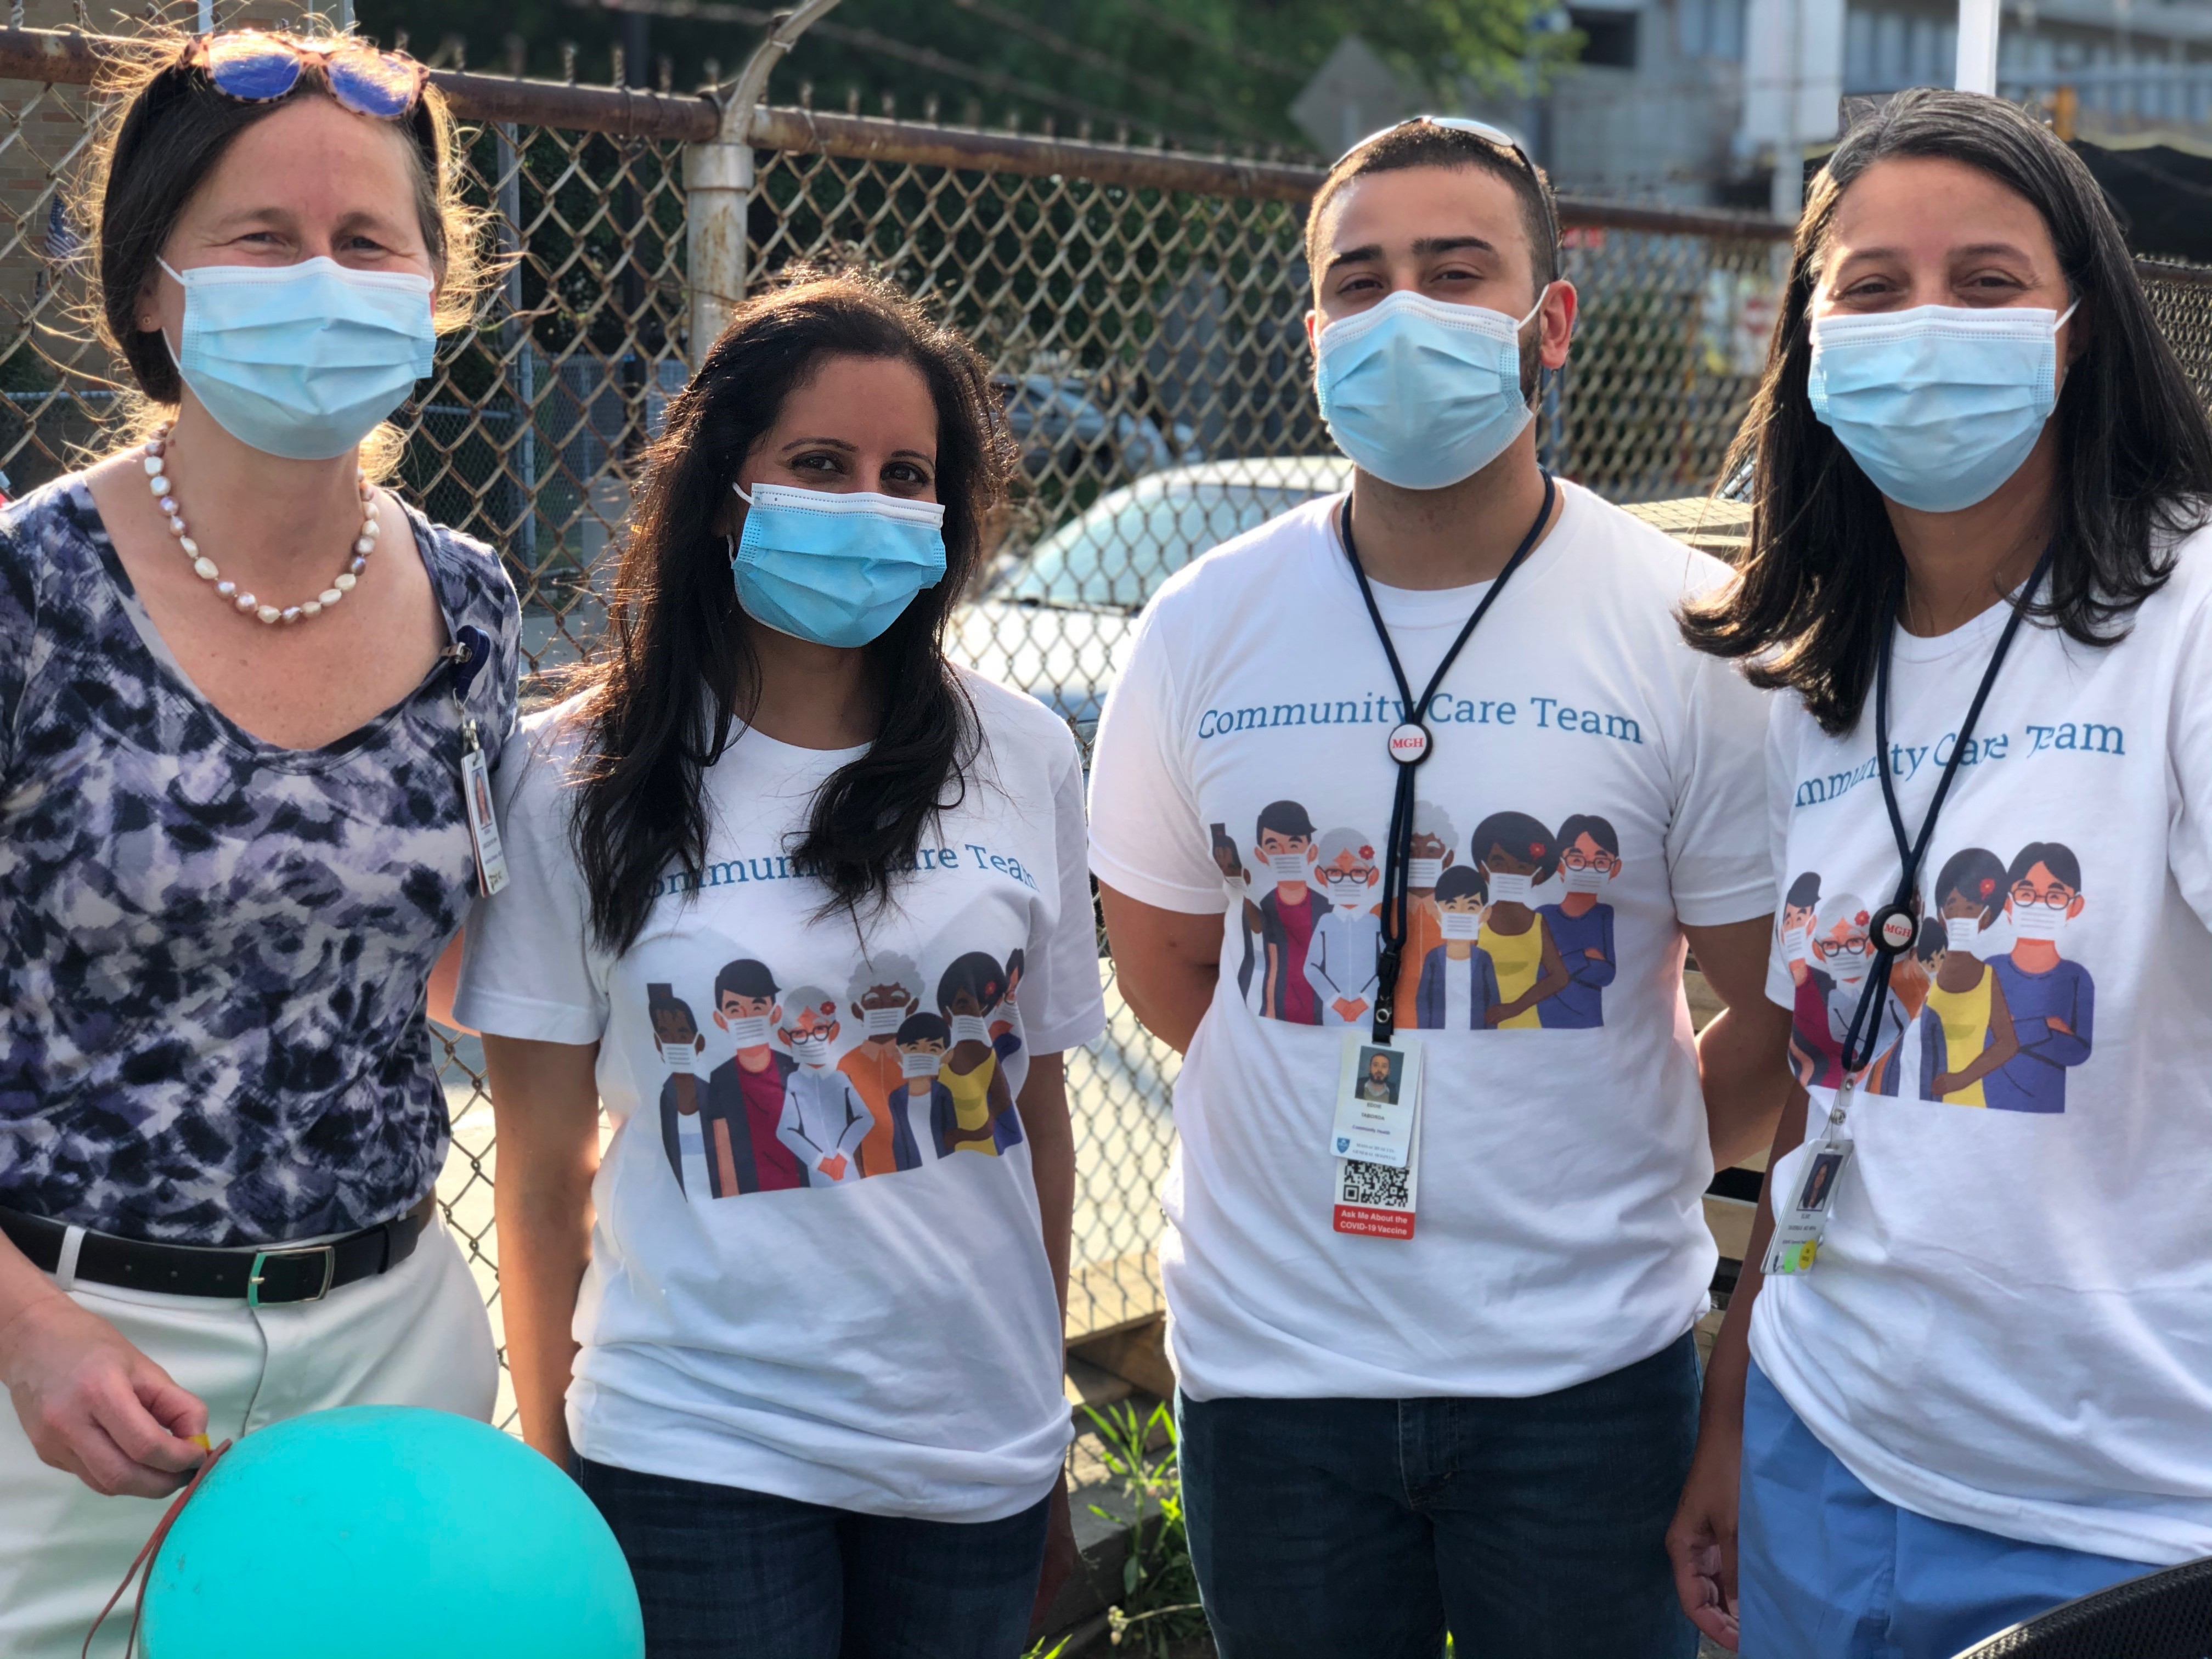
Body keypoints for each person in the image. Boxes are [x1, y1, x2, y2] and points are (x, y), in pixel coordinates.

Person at [1086, 116, 1787, 1658]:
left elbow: (1786, 1013)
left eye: (1457, 272)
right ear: (1316, 327)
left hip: (1584, 1388)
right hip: (1274, 1384)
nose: (1406, 311)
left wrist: (1636, 1149)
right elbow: (1170, 974)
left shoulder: (1685, 630)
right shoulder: (1202, 626)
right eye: (1363, 279)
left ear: (1552, 319)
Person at [456, 272, 1104, 1656]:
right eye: (819, 464)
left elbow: (1037, 1114)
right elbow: (539, 1162)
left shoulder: (1026, 754)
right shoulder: (576, 777)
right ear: (720, 489)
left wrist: (1042, 1413)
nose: (867, 503)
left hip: (969, 1447)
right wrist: (557, 1453)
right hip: (696, 1445)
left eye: (906, 474)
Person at [1668, 89, 2212, 1659]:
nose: (1927, 326)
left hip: (2125, 1531)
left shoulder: (2185, 623)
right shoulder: (1815, 678)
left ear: (2080, 329)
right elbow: (1822, 1097)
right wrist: (1733, 1390)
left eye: (1986, 282)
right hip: (1822, 1450)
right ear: (1810, 336)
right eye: (1874, 288)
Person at [0, 33, 516, 1657]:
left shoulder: (476, 610)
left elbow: (456, 967)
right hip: (68, 1378)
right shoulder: (25, 594)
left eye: (371, 242)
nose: (324, 277)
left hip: (400, 1351)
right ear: (154, 291)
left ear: (436, 285)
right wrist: (28, 1339)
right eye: (261, 240)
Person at [1470, 809, 1572, 1028]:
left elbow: (1560, 977)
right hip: (1478, 1029)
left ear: (1538, 877)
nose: (1509, 873)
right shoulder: (1475, 920)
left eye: (1522, 867)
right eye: (1499, 863)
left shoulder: (1538, 923)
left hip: (1527, 1027)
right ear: (1483, 869)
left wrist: (1514, 1008)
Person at [840, 956, 924, 1178]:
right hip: (869, 1179)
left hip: (925, 1171)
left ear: (912, 1006)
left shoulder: (921, 1057)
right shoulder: (847, 1064)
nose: (885, 1008)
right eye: (874, 1002)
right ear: (858, 1010)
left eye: (896, 1001)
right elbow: (846, 1123)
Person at [1540, 811, 1623, 1028]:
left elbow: (1606, 974)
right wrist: (1587, 955)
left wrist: (1561, 959)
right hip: (1543, 1020)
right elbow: (1540, 972)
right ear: (1559, 865)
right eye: (1577, 860)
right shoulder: (1543, 915)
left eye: (1600, 861)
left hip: (1590, 1023)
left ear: (1614, 869)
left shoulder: (1605, 915)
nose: (1588, 868)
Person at [1303, 826, 1385, 1026]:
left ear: (1372, 877)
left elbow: (1389, 967)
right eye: (1335, 872)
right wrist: (1336, 1002)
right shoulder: (1326, 922)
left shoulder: (1375, 923)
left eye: (1358, 872)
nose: (1346, 880)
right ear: (1322, 877)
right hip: (1332, 1014)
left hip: (1371, 1013)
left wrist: (1364, 1002)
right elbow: (1311, 967)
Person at [1414, 865, 1502, 1030]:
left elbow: (1493, 1000)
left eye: (1471, 907)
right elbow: (1424, 1000)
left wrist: (1490, 1035)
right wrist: (1426, 1033)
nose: (1460, 914)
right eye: (1452, 907)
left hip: (1477, 1036)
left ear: (1485, 913)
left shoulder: (1484, 959)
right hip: (1439, 1036)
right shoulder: (1433, 958)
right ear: (1437, 911)